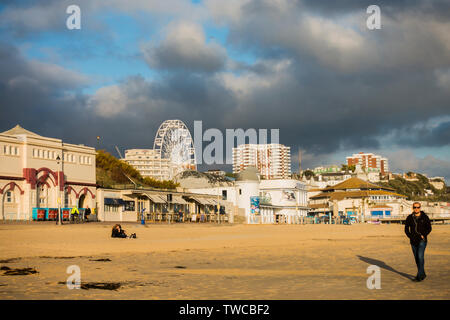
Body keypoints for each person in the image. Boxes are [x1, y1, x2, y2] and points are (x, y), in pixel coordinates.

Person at [404, 202, 432, 281]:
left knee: (420, 256)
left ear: (420, 208)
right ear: (412, 208)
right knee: (417, 258)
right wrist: (410, 236)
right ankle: (422, 273)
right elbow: (406, 229)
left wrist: (424, 234)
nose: (416, 209)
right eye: (415, 207)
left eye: (418, 207)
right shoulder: (409, 217)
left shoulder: (425, 217)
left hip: (422, 240)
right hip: (413, 241)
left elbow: (429, 228)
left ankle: (419, 276)